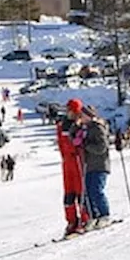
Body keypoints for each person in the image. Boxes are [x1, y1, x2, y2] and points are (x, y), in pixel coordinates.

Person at [73, 103, 113, 226]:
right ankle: (93, 216)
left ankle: (104, 215)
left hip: (100, 164)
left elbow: (102, 147)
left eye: (84, 116)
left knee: (96, 190)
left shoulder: (97, 127)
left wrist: (86, 145)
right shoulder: (85, 128)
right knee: (87, 192)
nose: (82, 118)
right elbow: (73, 135)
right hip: (89, 165)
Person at [57, 99, 89, 236]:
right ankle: (71, 221)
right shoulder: (62, 125)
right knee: (68, 193)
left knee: (80, 191)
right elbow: (60, 141)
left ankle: (85, 219)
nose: (68, 113)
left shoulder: (81, 124)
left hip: (77, 160)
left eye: (70, 110)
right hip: (67, 162)